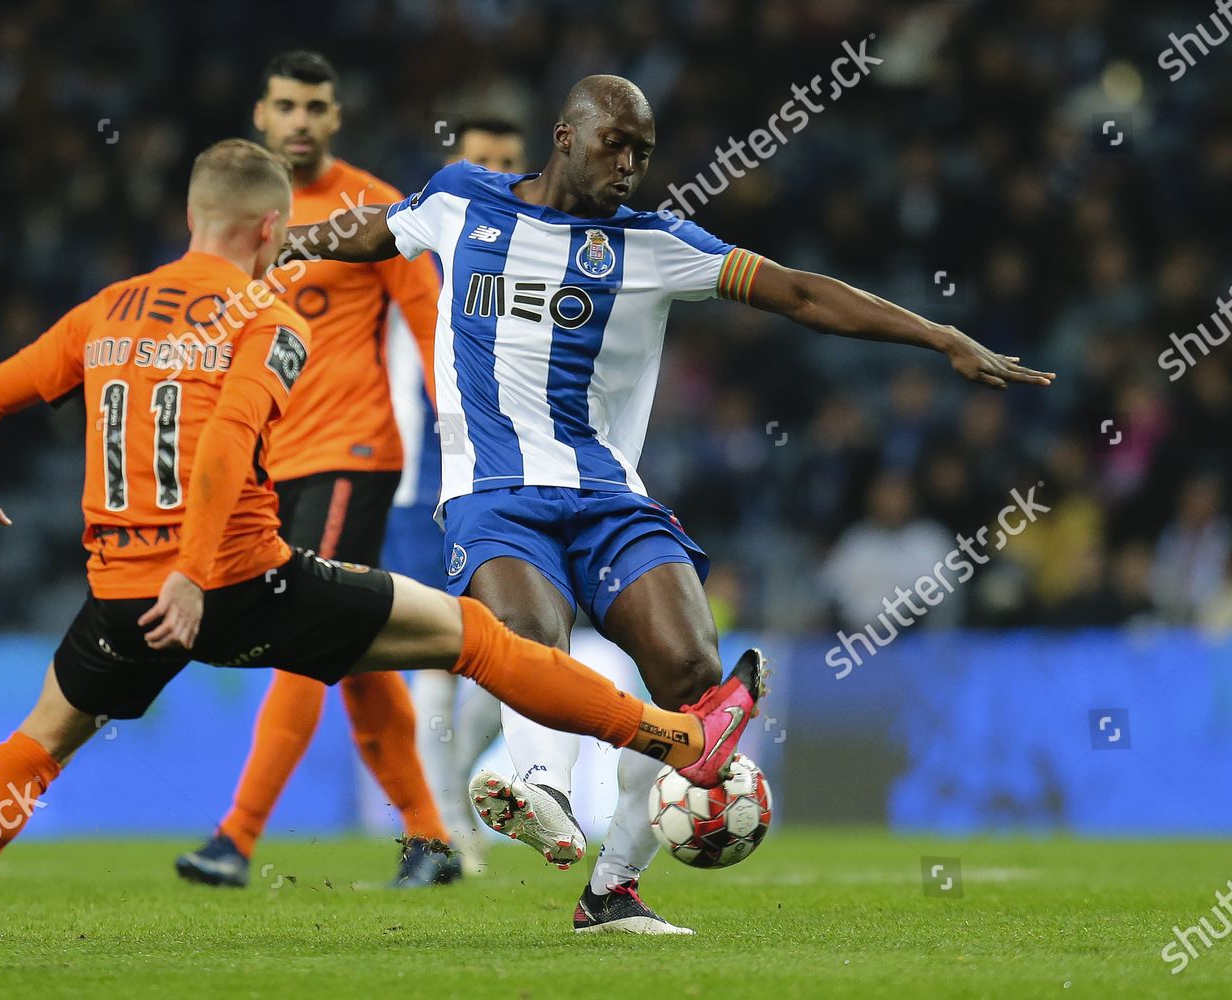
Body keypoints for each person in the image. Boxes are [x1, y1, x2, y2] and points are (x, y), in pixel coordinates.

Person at [0, 137, 763, 965]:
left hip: (121, 597)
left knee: (44, 736)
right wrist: (193, 573)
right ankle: (681, 733)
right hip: (241, 581)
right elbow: (227, 440)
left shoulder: (106, 310)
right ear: (274, 229)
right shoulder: (270, 315)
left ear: (194, 217)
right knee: (478, 637)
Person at [282, 75, 1054, 934]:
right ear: (565, 135)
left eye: (643, 153)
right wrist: (287, 240)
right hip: (494, 495)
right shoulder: (462, 197)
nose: (631, 166)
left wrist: (938, 334)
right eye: (616, 144)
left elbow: (799, 293)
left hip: (611, 497)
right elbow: (370, 233)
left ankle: (610, 889)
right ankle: (537, 788)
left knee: (695, 689)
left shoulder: (655, 243)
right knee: (530, 643)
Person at [173, 50, 456, 891]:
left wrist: (463, 446)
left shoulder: (376, 209)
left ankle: (236, 836)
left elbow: (430, 321)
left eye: (316, 107)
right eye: (286, 106)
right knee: (352, 649)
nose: (300, 120)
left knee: (298, 634)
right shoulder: (233, 213)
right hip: (266, 465)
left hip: (350, 455)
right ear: (260, 115)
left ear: (336, 118)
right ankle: (430, 838)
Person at [405, 117, 528, 872]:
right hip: (426, 484)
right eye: (478, 162)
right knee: (433, 661)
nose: (493, 175)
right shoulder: (418, 256)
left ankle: (448, 808)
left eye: (507, 164)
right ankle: (446, 827)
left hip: (512, 482)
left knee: (512, 653)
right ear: (455, 168)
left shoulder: (539, 258)